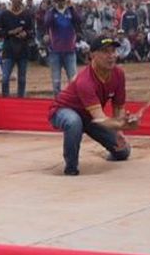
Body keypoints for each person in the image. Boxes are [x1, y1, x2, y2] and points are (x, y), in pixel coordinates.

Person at [47, 36, 136, 175]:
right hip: (63, 110)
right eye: (105, 52)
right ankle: (71, 168)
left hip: (89, 116)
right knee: (74, 122)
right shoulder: (85, 81)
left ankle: (110, 152)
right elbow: (99, 117)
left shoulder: (119, 74)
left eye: (113, 51)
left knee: (123, 152)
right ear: (92, 55)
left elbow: (118, 107)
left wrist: (120, 130)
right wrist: (122, 124)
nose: (111, 56)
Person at [43, 0, 81, 96]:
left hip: (70, 51)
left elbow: (79, 21)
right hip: (55, 51)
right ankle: (58, 103)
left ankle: (73, 101)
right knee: (56, 82)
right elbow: (46, 22)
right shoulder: (51, 12)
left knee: (73, 80)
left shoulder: (70, 11)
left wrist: (72, 8)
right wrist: (52, 8)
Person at [0, 0, 33, 98]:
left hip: (23, 51)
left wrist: (25, 34)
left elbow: (32, 32)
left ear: (22, 0)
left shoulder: (27, 14)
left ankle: (20, 100)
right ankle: (5, 100)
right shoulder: (4, 14)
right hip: (9, 50)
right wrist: (10, 32)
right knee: (5, 78)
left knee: (22, 79)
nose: (16, 0)